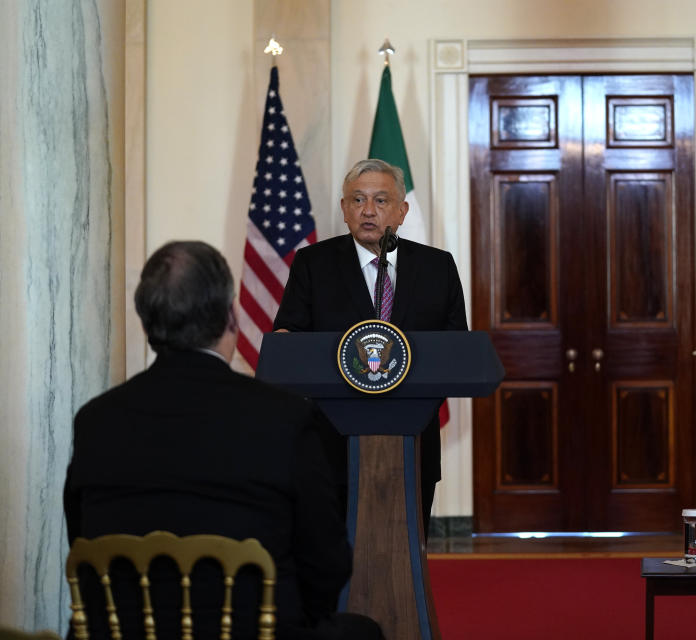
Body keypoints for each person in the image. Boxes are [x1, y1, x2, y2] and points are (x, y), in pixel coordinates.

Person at [64, 241, 382, 640]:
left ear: (146, 322)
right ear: (230, 316)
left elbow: (82, 544)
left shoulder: (96, 421)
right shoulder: (284, 418)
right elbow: (328, 564)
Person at [273, 158, 468, 534]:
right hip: (332, 442)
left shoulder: (437, 267)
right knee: (336, 555)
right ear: (344, 210)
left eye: (381, 201)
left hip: (413, 440)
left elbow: (456, 349)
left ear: (402, 209)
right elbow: (289, 339)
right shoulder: (313, 264)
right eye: (358, 200)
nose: (368, 211)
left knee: (408, 550)